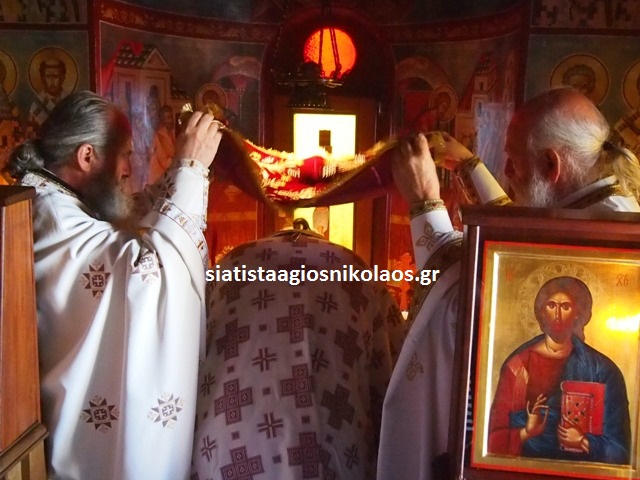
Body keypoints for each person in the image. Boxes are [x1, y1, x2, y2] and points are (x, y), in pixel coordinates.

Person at [377, 86, 640, 480]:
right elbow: (517, 231)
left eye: (513, 162)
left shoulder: (588, 245)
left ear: (551, 164)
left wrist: (424, 201)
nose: (506, 174)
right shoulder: (609, 212)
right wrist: (469, 166)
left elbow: (459, 302)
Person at [6, 90, 224, 479]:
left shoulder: (57, 199)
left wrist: (183, 175)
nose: (129, 169)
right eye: (125, 155)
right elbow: (146, 271)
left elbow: (126, 216)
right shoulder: (51, 215)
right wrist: (190, 169)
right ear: (87, 157)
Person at [191, 219, 406, 479]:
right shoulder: (355, 270)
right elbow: (393, 375)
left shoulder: (231, 265)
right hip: (336, 446)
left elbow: (192, 357)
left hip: (228, 449)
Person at [487, 276, 630, 464]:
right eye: (551, 305)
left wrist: (584, 441)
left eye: (566, 307)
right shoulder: (518, 366)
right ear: (541, 312)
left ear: (578, 313)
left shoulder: (602, 370)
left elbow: (620, 451)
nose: (557, 315)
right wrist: (526, 432)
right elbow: (491, 442)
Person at [29, 56, 70, 129]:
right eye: (48, 76)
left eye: (55, 76)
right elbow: (31, 131)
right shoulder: (37, 105)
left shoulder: (69, 103)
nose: (52, 81)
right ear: (43, 79)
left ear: (62, 78)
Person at [147, 104, 176, 184]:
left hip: (165, 178)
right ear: (162, 120)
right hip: (158, 180)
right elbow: (165, 162)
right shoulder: (159, 136)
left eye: (171, 117)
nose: (171, 120)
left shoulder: (170, 134)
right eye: (168, 118)